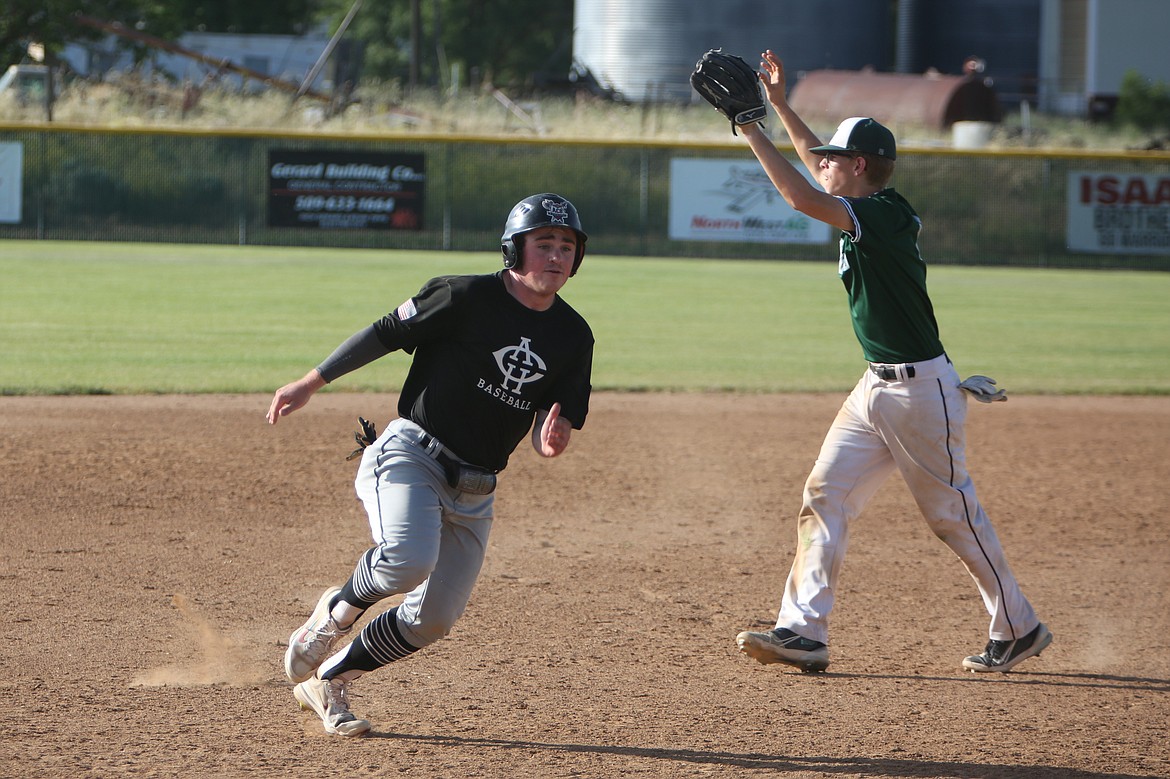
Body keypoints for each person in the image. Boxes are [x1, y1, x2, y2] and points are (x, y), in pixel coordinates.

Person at [731, 50, 1051, 674]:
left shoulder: (880, 215)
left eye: (831, 157)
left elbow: (800, 195)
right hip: (874, 389)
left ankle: (1018, 626)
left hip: (920, 393)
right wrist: (778, 105)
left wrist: (750, 129)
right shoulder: (864, 206)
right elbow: (812, 168)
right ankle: (803, 631)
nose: (819, 160)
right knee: (825, 495)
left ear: (857, 167)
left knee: (951, 516)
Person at [266, 193, 594, 735]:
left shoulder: (574, 335)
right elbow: (385, 333)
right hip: (413, 455)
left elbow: (549, 419)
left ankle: (329, 680)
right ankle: (331, 619)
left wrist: (547, 441)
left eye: (566, 246)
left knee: (434, 619)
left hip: (477, 489)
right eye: (544, 244)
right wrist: (310, 382)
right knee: (407, 559)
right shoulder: (464, 295)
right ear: (515, 249)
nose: (556, 256)